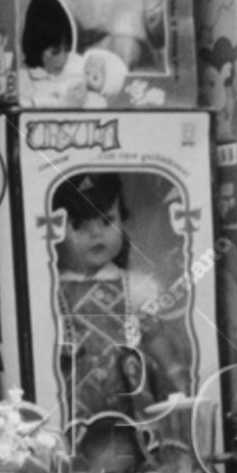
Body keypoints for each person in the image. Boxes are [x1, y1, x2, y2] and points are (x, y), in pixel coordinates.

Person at [48, 172, 185, 427]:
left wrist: (174, 370)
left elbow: (154, 335)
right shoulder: (50, 288)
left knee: (134, 438)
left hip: (128, 385)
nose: (97, 234)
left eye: (107, 221)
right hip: (73, 387)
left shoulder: (136, 286)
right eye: (79, 225)